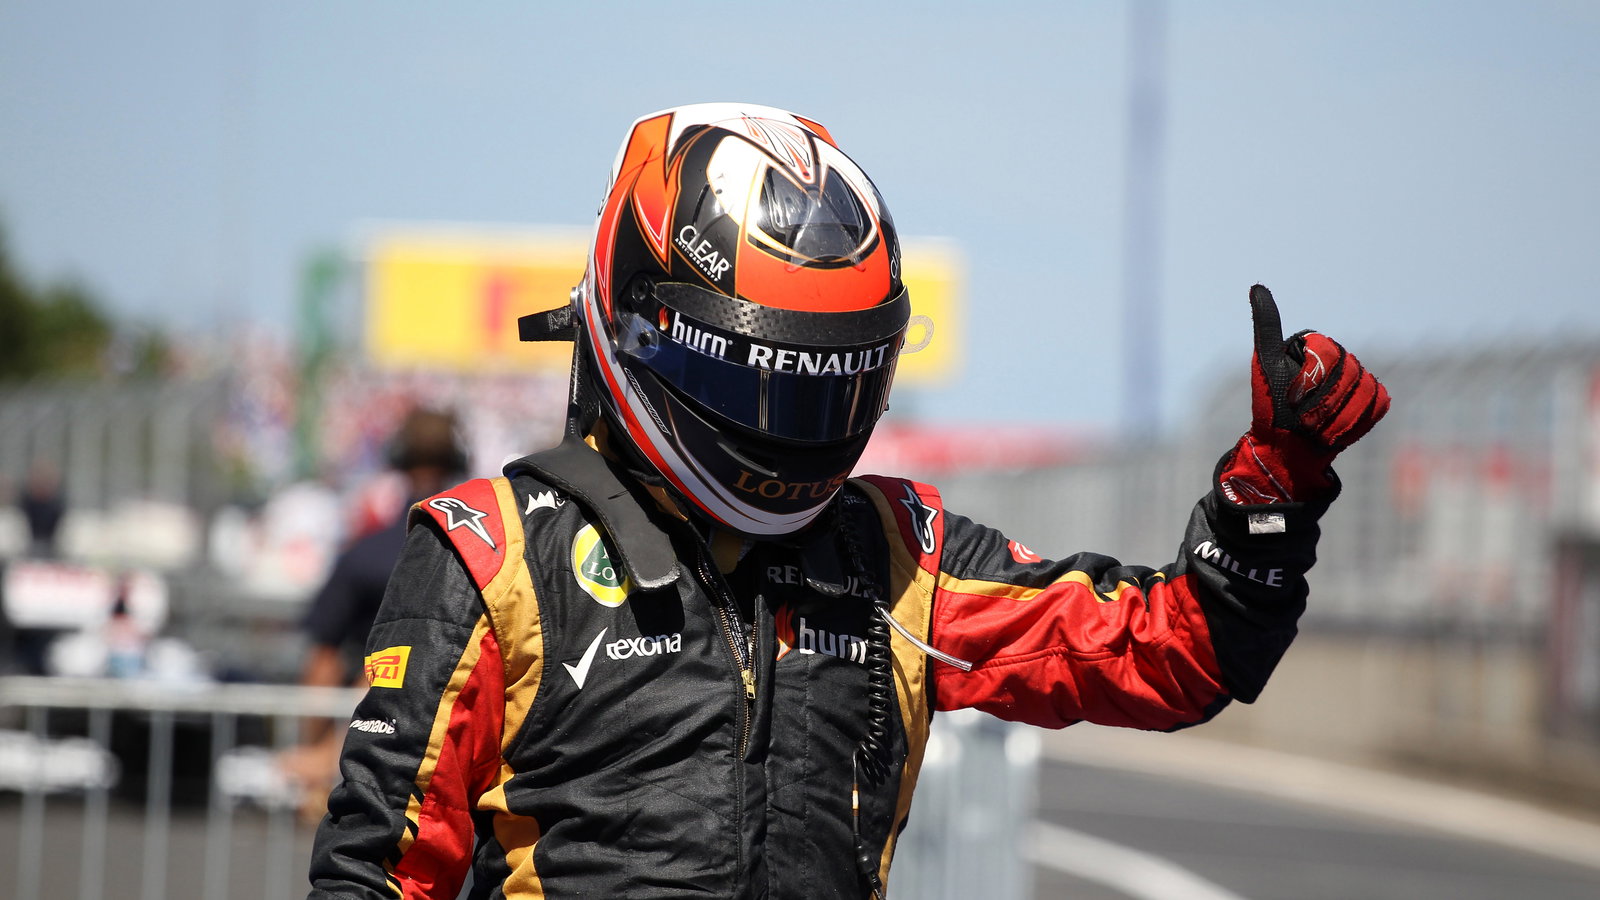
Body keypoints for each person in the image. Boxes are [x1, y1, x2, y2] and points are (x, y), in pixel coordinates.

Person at [307, 103, 1389, 899]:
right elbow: (376, 873)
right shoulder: (494, 553)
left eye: (824, 385)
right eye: (761, 382)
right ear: (642, 324)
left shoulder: (895, 555)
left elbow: (1177, 654)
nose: (790, 423)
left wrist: (1275, 484)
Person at [281, 407, 468, 817]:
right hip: (452, 739)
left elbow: (323, 660)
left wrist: (318, 751)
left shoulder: (366, 554)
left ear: (398, 459)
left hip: (370, 731)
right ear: (458, 461)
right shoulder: (478, 558)